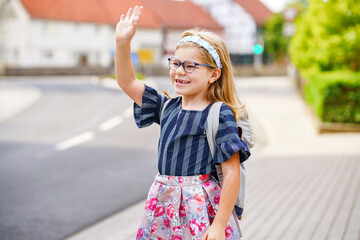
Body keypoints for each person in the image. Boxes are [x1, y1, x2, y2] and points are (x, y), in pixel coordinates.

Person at [115, 6, 250, 240]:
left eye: (190, 66)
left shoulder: (219, 114)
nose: (179, 71)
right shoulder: (165, 107)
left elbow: (231, 173)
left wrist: (218, 225)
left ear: (214, 75)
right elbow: (127, 82)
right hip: (163, 203)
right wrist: (122, 43)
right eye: (176, 63)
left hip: (199, 209)